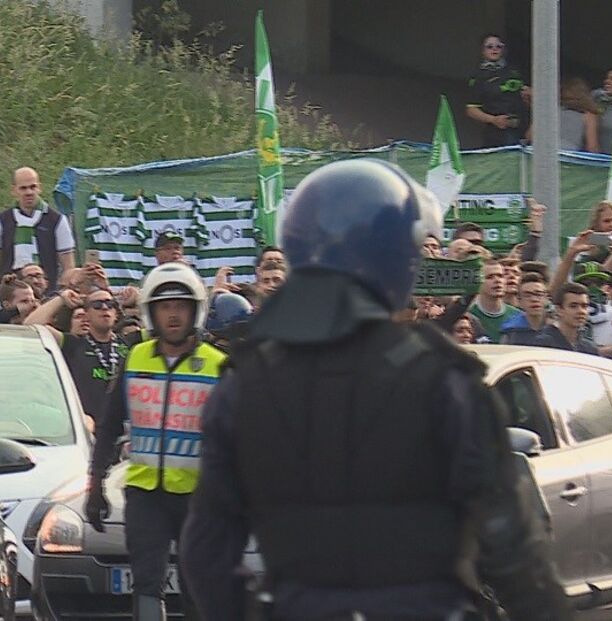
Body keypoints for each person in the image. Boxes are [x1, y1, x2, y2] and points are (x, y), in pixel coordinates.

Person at [179, 160, 571, 621]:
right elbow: (511, 548)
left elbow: (205, 554)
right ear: (399, 259)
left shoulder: (243, 386)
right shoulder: (445, 380)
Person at [85, 262, 226, 620]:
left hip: (200, 498)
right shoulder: (135, 358)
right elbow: (109, 425)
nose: (173, 315)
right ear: (151, 311)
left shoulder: (219, 365)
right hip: (146, 494)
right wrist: (95, 483)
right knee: (146, 584)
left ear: (196, 310)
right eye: (165, 307)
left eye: (180, 306)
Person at [24, 287, 129, 430]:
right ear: (87, 315)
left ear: (116, 313)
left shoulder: (130, 343)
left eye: (110, 304)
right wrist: (61, 298)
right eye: (97, 305)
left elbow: (158, 329)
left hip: (121, 429)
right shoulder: (73, 344)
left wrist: (140, 299)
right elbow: (31, 325)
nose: (105, 308)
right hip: (85, 427)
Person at [0, 167, 76, 293]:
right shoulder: (1, 220)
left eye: (33, 187)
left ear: (39, 188)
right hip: (10, 294)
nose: (29, 192)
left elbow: (68, 267)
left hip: (47, 293)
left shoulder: (57, 220)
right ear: (14, 190)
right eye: (23, 188)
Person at [465, 34, 530, 147]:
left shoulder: (515, 71)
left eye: (498, 46)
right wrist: (493, 120)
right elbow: (471, 109)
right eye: (489, 46)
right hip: (498, 132)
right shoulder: (478, 76)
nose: (494, 49)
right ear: (483, 51)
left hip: (524, 128)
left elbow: (530, 93)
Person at [532, 282, 598, 354]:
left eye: (584, 306)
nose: (581, 311)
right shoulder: (543, 343)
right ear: (558, 310)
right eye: (573, 306)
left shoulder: (589, 348)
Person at [469, 259, 524, 343]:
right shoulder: (469, 316)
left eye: (500, 276)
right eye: (490, 277)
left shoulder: (518, 316)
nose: (497, 280)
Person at [500, 273, 548, 344]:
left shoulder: (557, 328)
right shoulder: (511, 332)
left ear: (546, 298)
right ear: (519, 301)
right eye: (527, 295)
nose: (534, 299)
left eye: (539, 294)